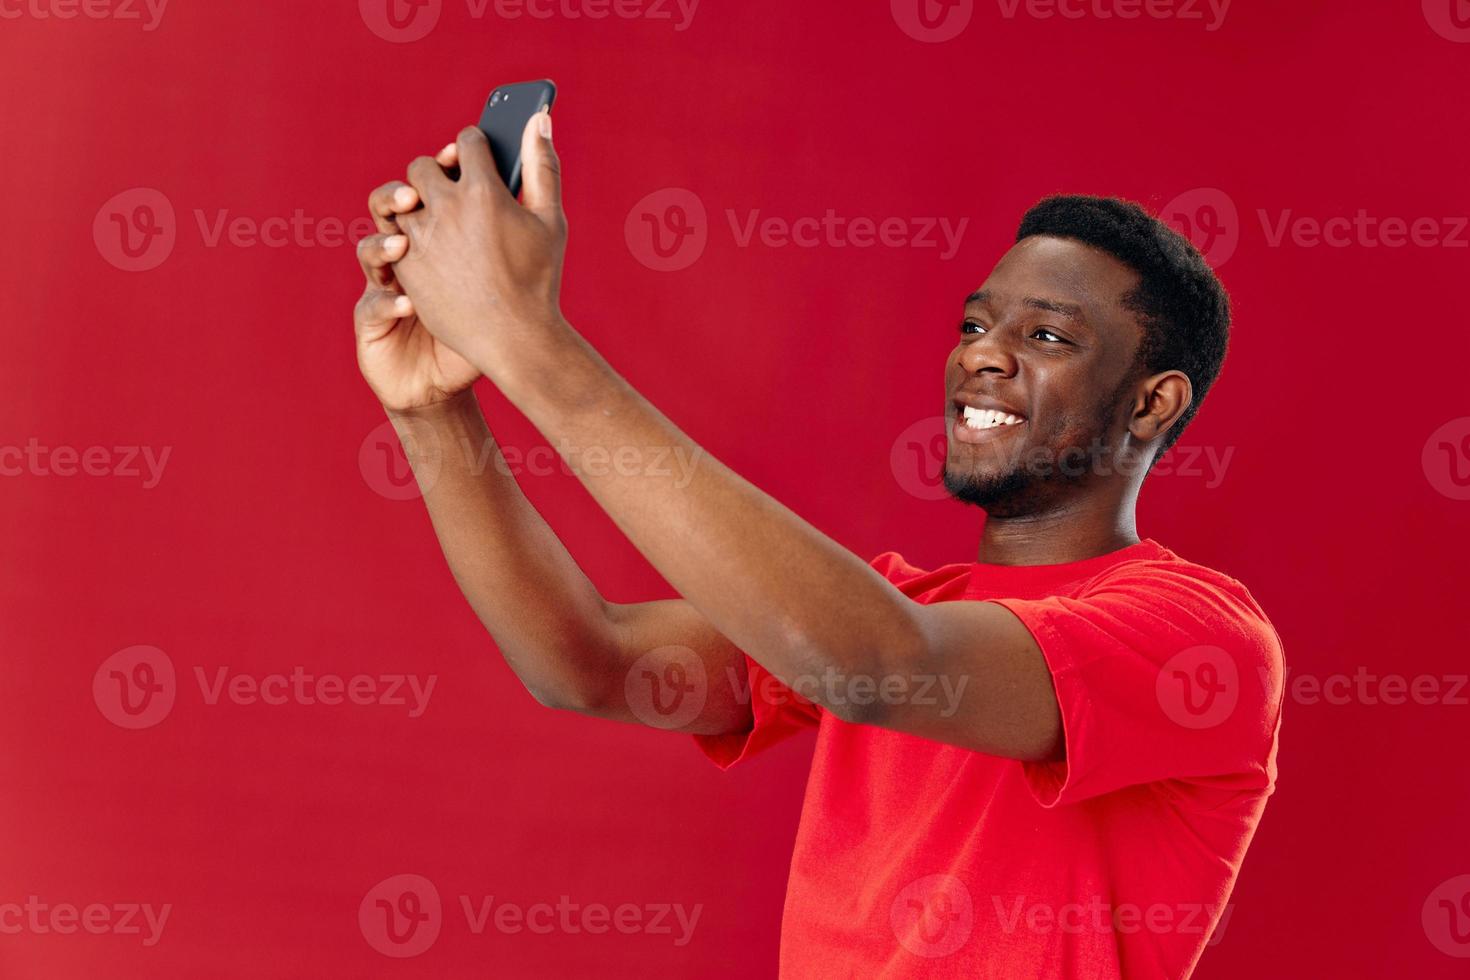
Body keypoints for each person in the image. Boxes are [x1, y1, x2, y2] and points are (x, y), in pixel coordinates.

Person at [351, 110, 1283, 979]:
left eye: (1045, 334)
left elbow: (871, 665)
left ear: (1154, 402)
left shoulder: (1197, 637)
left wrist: (525, 338)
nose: (981, 356)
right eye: (973, 323)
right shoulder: (892, 606)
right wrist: (433, 408)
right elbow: (589, 661)